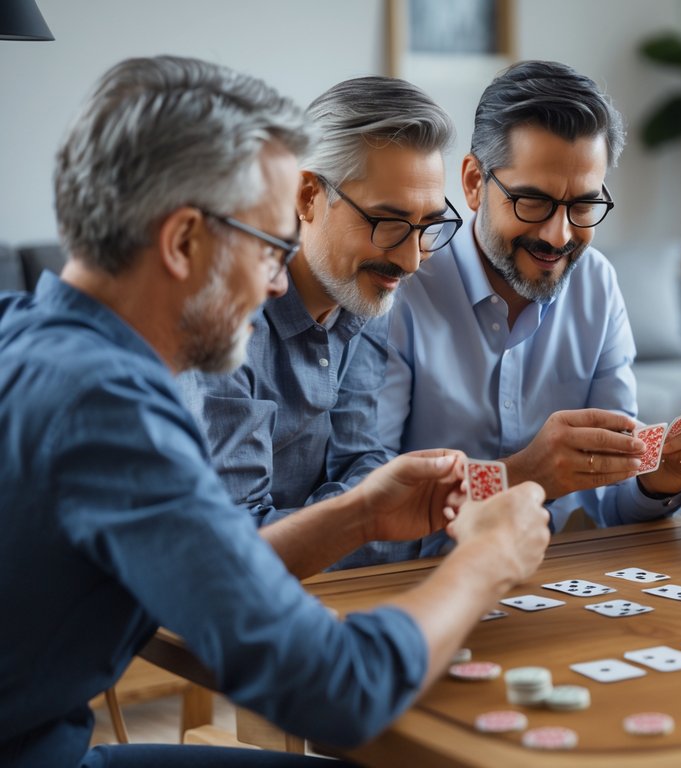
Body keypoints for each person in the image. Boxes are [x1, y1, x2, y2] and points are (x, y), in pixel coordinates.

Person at [0, 56, 550, 767]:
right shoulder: (110, 409)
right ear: (183, 241)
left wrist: (357, 514)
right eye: (265, 244)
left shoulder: (26, 331)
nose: (272, 281)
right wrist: (487, 558)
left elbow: (211, 570)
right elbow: (339, 691)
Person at [378, 60, 681, 538]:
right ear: (473, 183)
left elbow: (609, 498)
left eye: (583, 205)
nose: (559, 236)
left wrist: (655, 485)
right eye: (531, 201)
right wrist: (526, 472)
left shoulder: (596, 283)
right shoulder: (404, 286)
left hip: (548, 577)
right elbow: (372, 498)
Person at [179, 76, 462, 569]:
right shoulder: (226, 322)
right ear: (306, 195)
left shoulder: (361, 294)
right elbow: (237, 550)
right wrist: (376, 523)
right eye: (388, 222)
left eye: (426, 226)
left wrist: (334, 525)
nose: (413, 260)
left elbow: (360, 464)